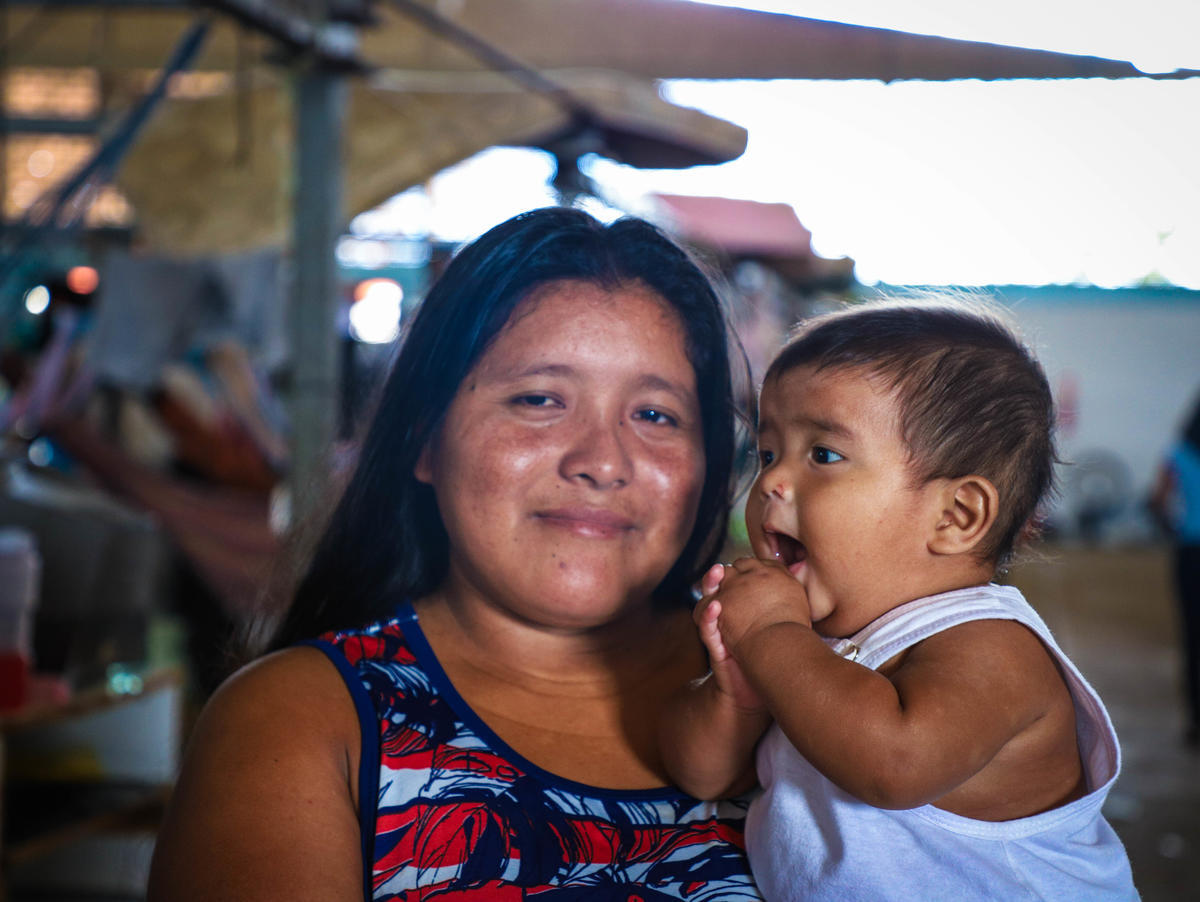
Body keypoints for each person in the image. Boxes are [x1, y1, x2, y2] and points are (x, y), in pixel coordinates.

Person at [147, 207, 763, 900]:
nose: (602, 461)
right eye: (539, 399)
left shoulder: (797, 693)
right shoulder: (299, 725)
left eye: (655, 415)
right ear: (423, 439)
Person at [660, 300, 1137, 901]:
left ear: (956, 516)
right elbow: (701, 773)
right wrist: (736, 692)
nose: (772, 483)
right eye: (768, 453)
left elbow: (893, 766)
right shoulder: (807, 641)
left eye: (824, 455)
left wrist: (770, 639)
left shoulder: (994, 649)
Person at [1150, 392, 1200, 747]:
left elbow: (1158, 501)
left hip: (1191, 554)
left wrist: (1173, 529)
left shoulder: (1178, 455)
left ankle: (1196, 723)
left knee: (1193, 636)